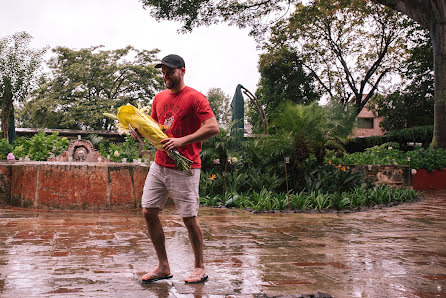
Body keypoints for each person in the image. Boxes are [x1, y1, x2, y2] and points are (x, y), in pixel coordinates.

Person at [134, 54, 219, 284]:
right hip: (160, 164)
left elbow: (213, 127)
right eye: (163, 72)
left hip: (186, 167)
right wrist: (139, 133)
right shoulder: (159, 98)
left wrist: (182, 141)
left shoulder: (195, 98)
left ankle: (200, 267)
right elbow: (153, 129)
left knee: (189, 218)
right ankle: (163, 266)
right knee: (148, 210)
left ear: (182, 70)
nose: (165, 76)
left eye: (169, 72)